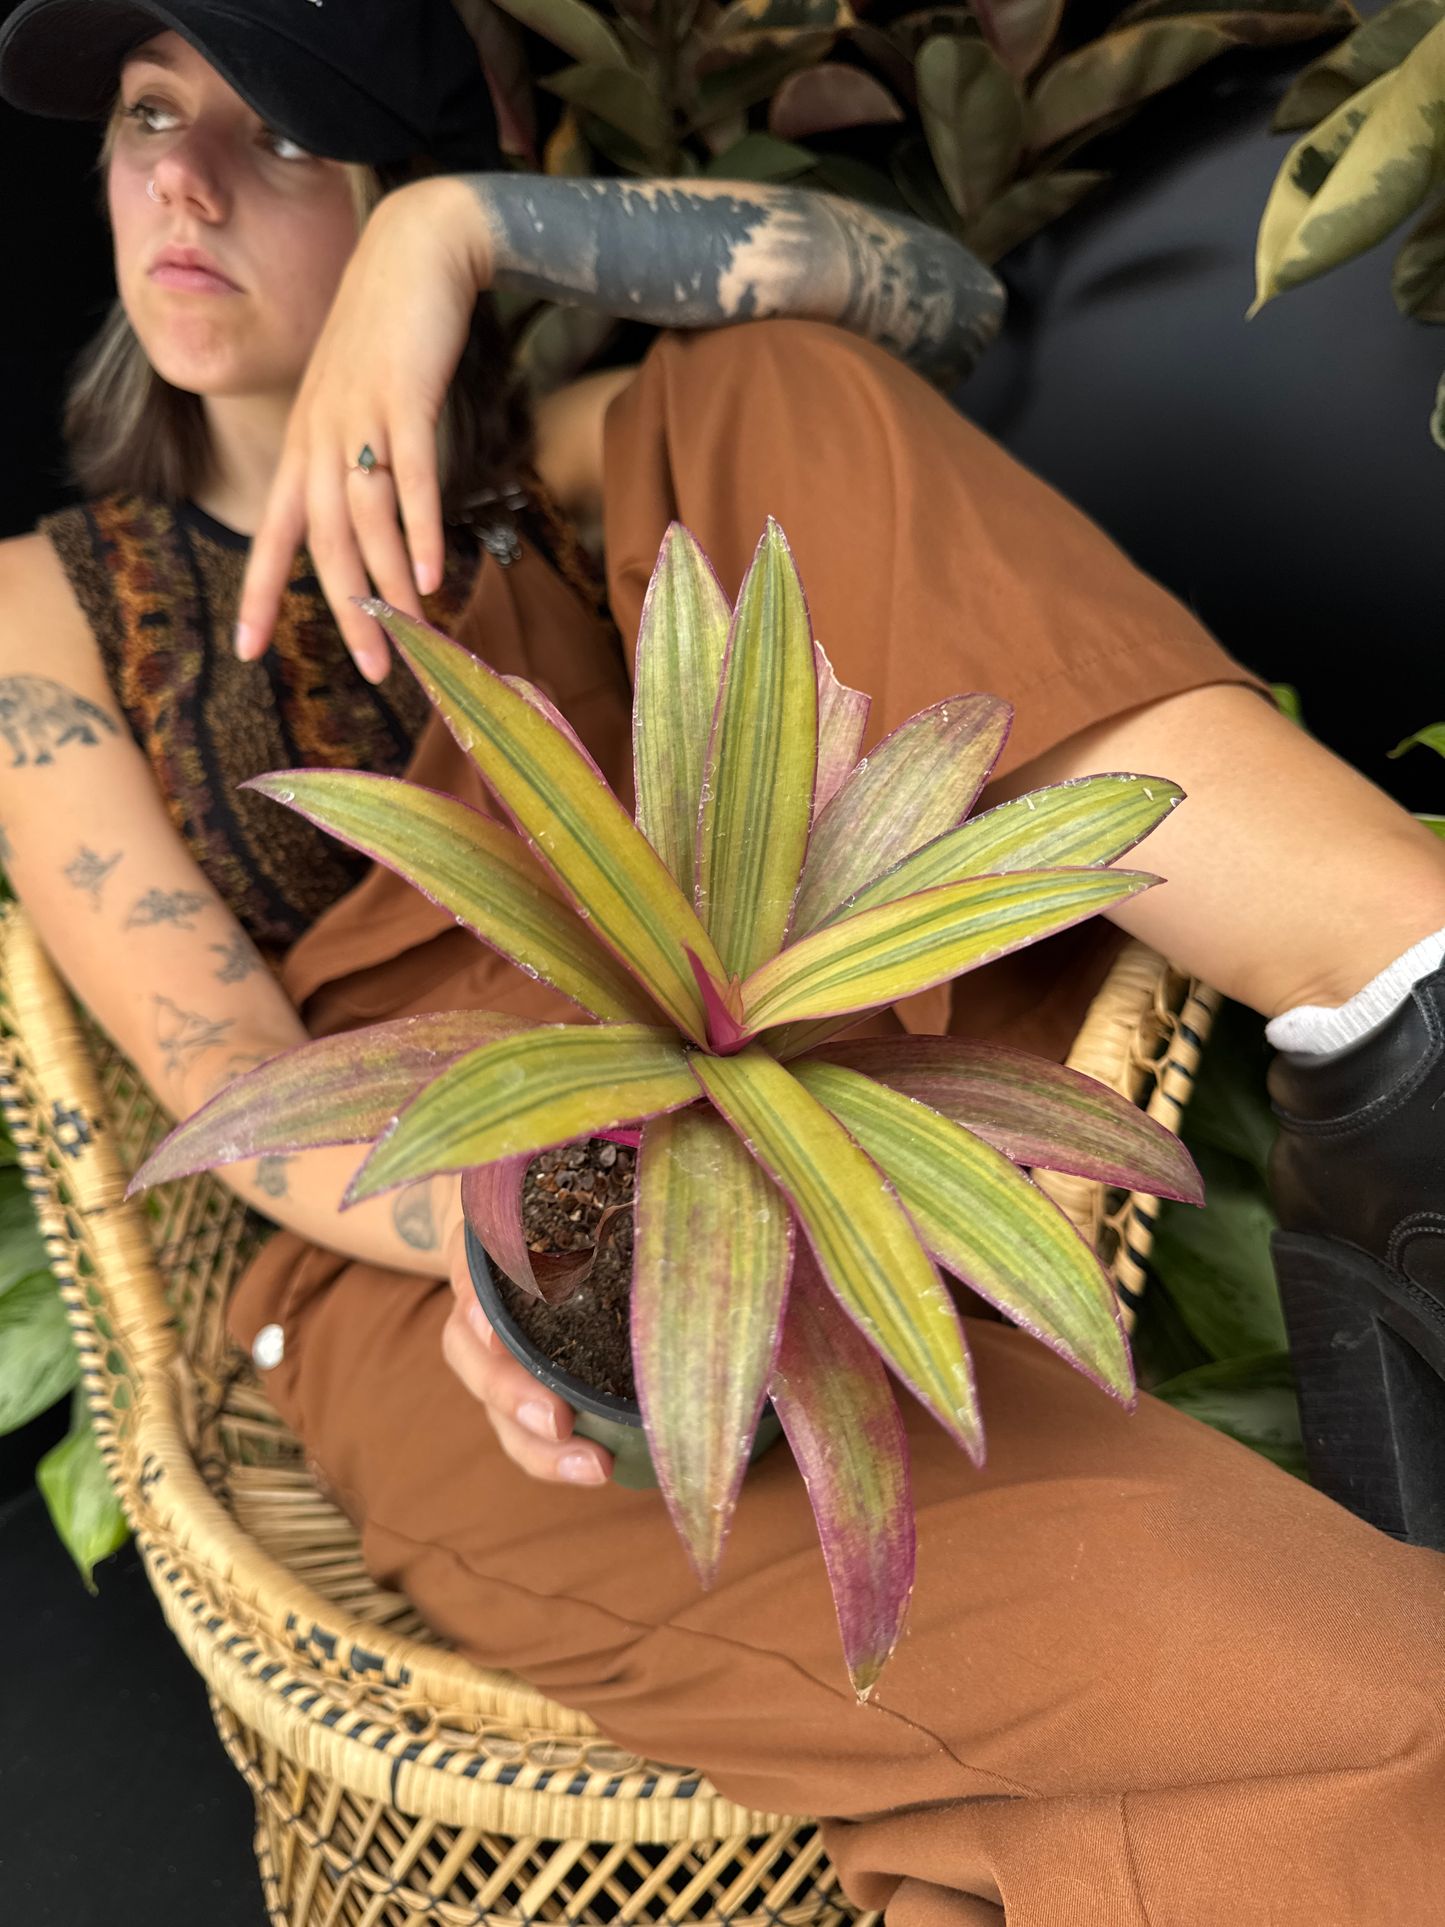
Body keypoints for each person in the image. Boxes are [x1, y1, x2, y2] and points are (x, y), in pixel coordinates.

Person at [0, 4, 1442, 1923]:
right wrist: (543, 1228)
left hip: (792, 1073)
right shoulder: (49, 597)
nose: (183, 179)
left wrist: (464, 233)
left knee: (763, 385)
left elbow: (934, 298)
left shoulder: (557, 468)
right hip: (457, 1245)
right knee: (1376, 1701)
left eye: (282, 143)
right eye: (148, 118)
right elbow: (225, 1080)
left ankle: (1389, 988)